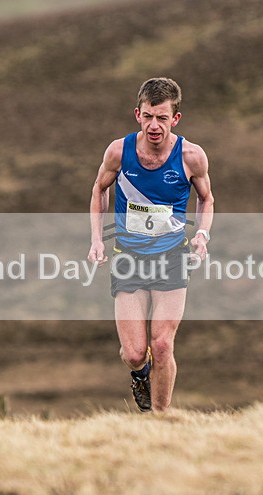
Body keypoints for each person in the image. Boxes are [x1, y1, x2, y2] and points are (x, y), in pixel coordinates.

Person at [87, 77, 214, 413]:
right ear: (137, 115)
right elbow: (99, 190)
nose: (154, 125)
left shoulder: (191, 156)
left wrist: (202, 235)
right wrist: (97, 239)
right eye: (148, 116)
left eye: (162, 117)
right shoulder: (119, 151)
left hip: (172, 258)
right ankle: (139, 375)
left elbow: (207, 199)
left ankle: (159, 419)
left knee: (161, 345)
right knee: (133, 353)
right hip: (128, 259)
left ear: (175, 118)